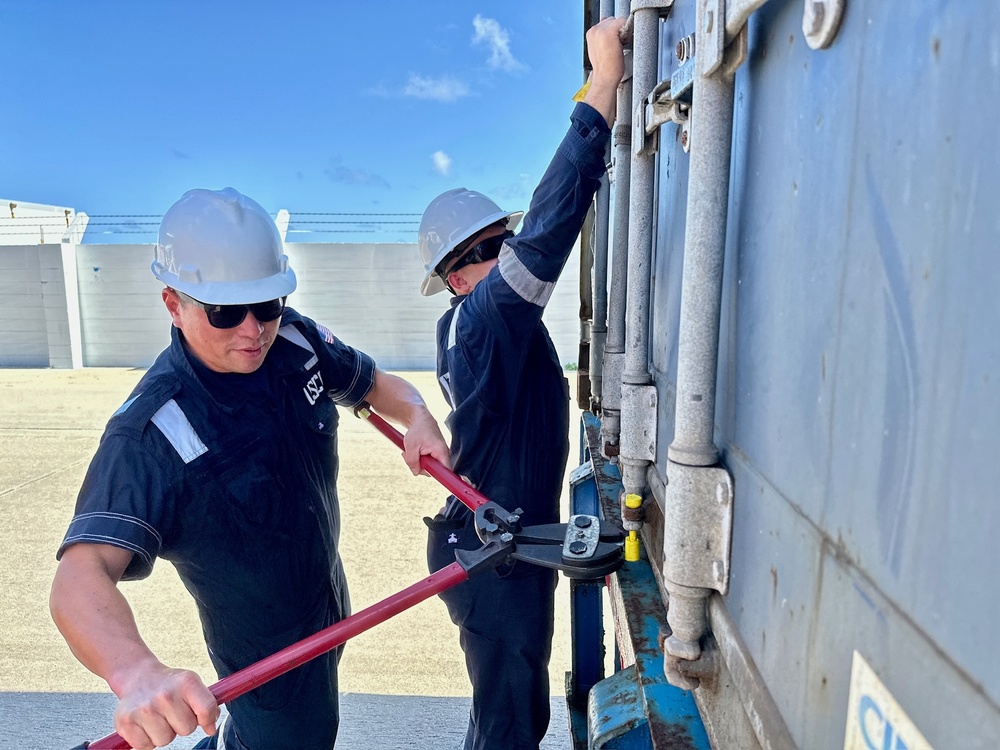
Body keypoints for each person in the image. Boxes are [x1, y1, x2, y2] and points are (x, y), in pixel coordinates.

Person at [49, 187, 451, 750]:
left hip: (326, 604)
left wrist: (418, 414)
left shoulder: (296, 340)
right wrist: (136, 673)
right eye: (225, 312)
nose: (253, 329)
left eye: (267, 305)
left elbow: (378, 385)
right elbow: (79, 574)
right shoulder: (153, 431)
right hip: (264, 652)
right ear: (173, 304)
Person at [416, 16, 625, 750]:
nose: (499, 254)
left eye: (497, 240)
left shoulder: (480, 325)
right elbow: (549, 226)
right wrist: (602, 87)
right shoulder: (479, 321)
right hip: (492, 559)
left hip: (499, 543)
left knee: (507, 711)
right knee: (510, 724)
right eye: (478, 252)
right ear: (453, 278)